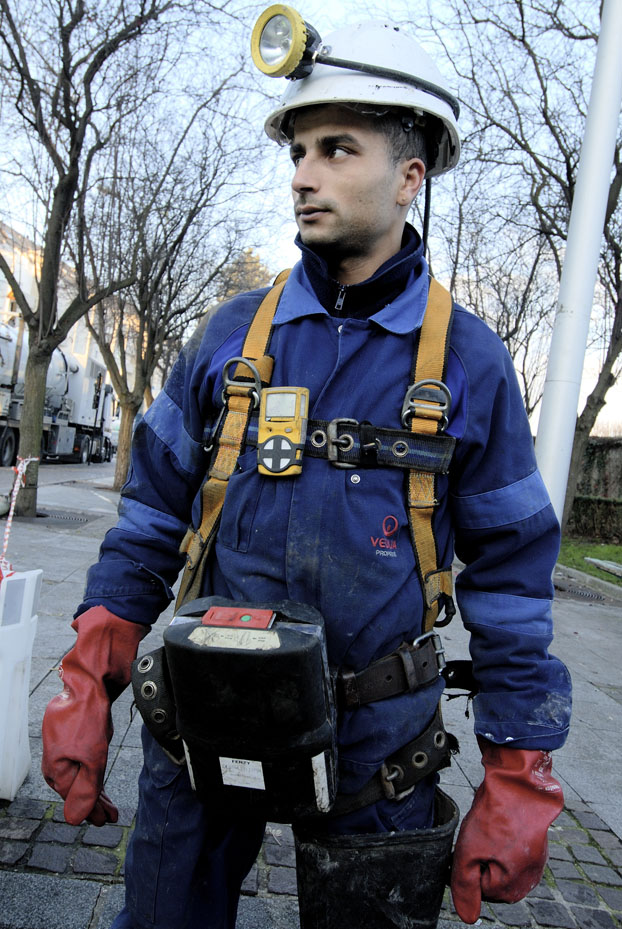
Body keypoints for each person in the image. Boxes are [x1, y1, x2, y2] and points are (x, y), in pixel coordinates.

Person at [41, 14, 571, 929]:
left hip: (380, 749)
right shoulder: (226, 337)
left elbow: (515, 584)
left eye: (336, 148)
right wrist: (92, 678)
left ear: (410, 176)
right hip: (205, 719)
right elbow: (147, 520)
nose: (302, 173)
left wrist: (518, 772)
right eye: (298, 148)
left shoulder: (471, 366)